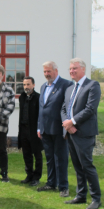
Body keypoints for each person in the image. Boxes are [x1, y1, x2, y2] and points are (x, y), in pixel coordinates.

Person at [61, 58, 102, 209]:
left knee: (87, 166)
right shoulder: (69, 89)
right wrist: (67, 124)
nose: (72, 71)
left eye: (75, 68)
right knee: (77, 166)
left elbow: (90, 109)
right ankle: (81, 195)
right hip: (71, 133)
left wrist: (72, 122)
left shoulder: (92, 86)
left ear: (83, 69)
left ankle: (96, 198)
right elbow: (64, 109)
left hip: (84, 133)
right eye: (70, 69)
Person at [37, 61, 72, 197]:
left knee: (61, 158)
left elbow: (68, 108)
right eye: (45, 72)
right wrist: (39, 127)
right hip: (45, 130)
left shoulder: (66, 85)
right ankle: (51, 183)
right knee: (50, 158)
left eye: (49, 71)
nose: (46, 74)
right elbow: (42, 109)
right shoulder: (43, 87)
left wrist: (66, 127)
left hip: (59, 129)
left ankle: (63, 186)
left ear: (55, 71)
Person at [18, 76, 44, 186]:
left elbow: (41, 115)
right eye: (24, 84)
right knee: (26, 154)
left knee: (37, 155)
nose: (26, 87)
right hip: (23, 129)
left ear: (33, 85)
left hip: (34, 131)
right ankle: (29, 175)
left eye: (28, 84)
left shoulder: (38, 98)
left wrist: (40, 129)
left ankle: (36, 177)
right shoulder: (22, 97)